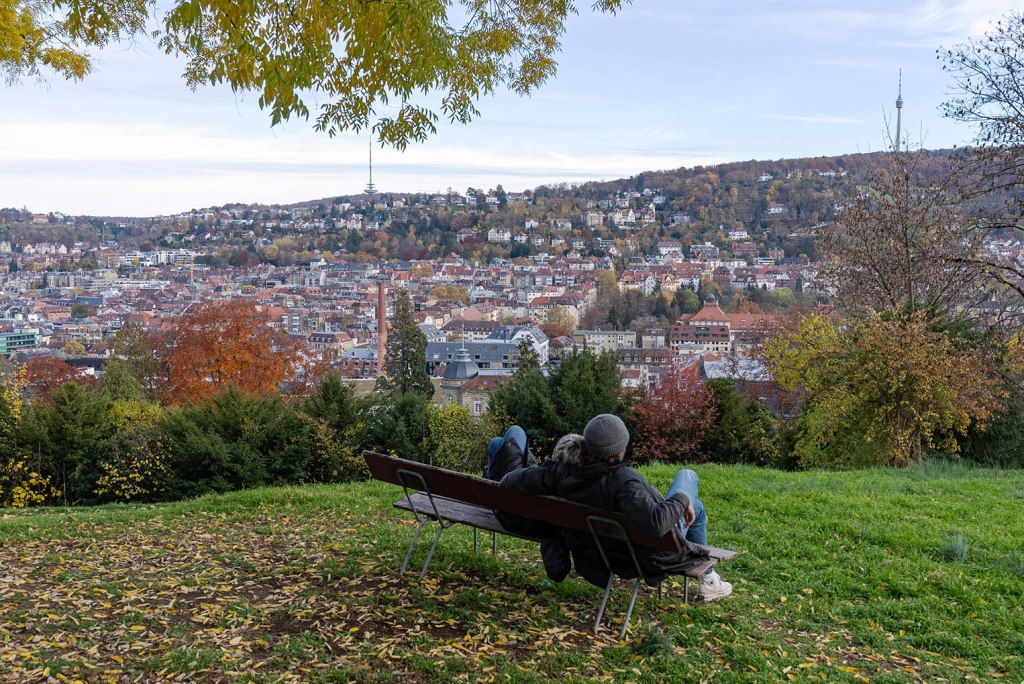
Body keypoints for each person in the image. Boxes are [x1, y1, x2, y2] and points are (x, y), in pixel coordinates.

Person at [498, 414, 733, 602]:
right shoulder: (622, 482)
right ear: (620, 447)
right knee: (690, 484)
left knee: (691, 499)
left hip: (606, 550)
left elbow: (508, 481)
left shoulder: (563, 472)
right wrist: (682, 499)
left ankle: (710, 578)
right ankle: (710, 580)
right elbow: (657, 523)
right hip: (648, 551)